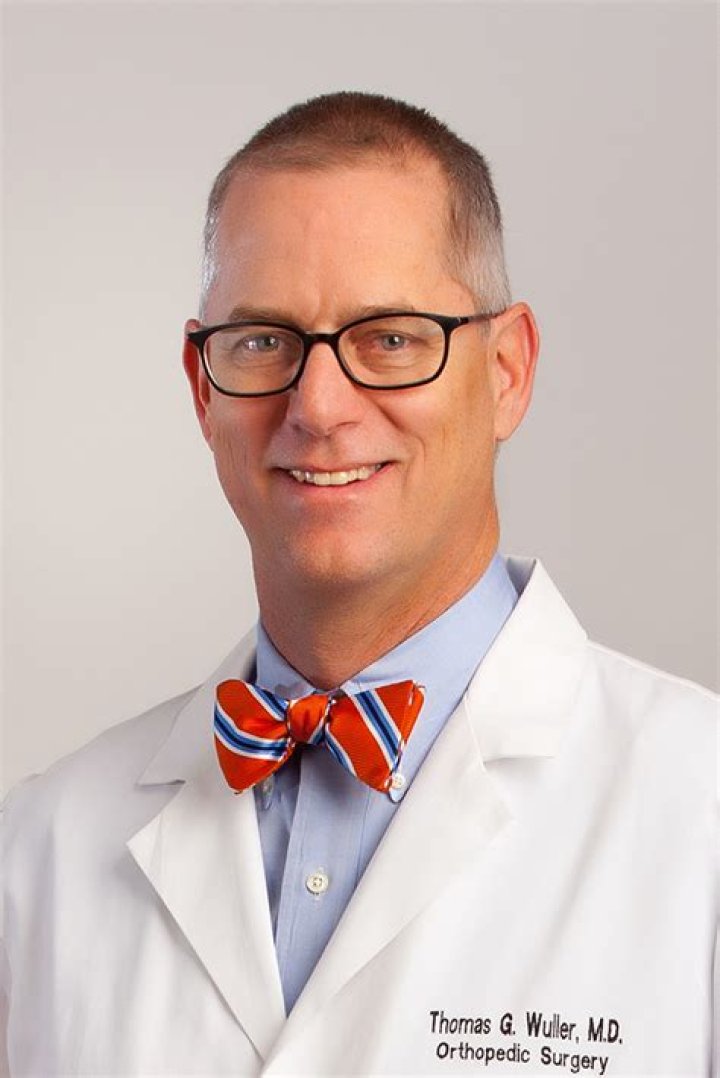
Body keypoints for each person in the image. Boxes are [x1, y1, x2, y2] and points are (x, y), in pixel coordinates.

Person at [1, 92, 716, 1077]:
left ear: (506, 372)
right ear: (203, 387)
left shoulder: (698, 812)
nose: (320, 407)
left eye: (390, 337)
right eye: (263, 341)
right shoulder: (38, 850)